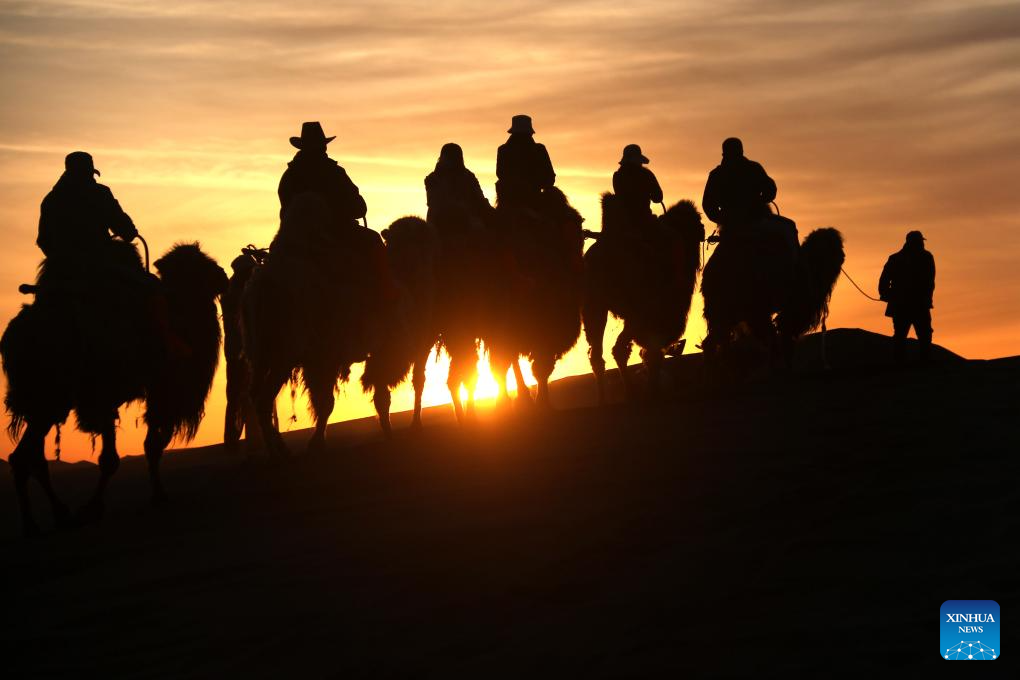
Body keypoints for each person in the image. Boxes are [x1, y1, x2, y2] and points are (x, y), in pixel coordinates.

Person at [37, 151, 138, 260]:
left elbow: (43, 240)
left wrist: (60, 258)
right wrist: (129, 231)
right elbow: (123, 227)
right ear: (88, 173)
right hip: (99, 257)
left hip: (64, 261)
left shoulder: (51, 199)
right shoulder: (101, 194)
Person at [278, 121, 367, 227]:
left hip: (297, 231)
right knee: (372, 236)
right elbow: (358, 208)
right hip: (337, 229)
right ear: (323, 146)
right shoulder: (335, 172)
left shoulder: (289, 175)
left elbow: (286, 210)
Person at [701, 137, 776, 241]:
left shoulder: (717, 175)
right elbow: (770, 190)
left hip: (745, 225)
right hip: (751, 225)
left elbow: (708, 205)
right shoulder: (754, 168)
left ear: (723, 154)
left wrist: (723, 219)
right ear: (742, 151)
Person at [879, 231, 936, 362]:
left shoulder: (895, 258)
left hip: (906, 305)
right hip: (917, 305)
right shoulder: (926, 258)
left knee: (906, 335)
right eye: (920, 242)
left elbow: (883, 281)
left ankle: (904, 364)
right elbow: (930, 281)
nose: (922, 244)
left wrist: (886, 294)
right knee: (921, 335)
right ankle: (921, 363)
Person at [495, 115, 555, 211]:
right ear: (530, 133)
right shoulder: (539, 149)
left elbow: (500, 174)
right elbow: (549, 177)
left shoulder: (503, 149)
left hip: (509, 199)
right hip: (534, 198)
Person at [424, 143, 492, 225]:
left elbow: (480, 200)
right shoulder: (432, 179)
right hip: (442, 221)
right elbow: (435, 203)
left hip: (464, 220)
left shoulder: (469, 177)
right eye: (449, 157)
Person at [612, 144, 663, 233]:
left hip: (622, 220)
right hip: (644, 220)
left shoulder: (617, 176)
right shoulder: (646, 174)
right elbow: (658, 198)